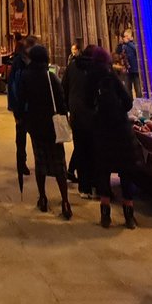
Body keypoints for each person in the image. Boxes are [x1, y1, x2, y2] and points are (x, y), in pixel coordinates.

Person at [18, 44, 72, 219]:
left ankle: (42, 197)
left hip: (36, 126)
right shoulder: (51, 78)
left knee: (40, 162)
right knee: (59, 164)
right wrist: (64, 119)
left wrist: (22, 119)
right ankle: (65, 201)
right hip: (53, 126)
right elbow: (62, 102)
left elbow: (21, 100)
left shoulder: (25, 77)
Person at [87, 47, 137, 229]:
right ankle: (129, 217)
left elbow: (87, 102)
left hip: (102, 130)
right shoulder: (112, 76)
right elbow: (128, 101)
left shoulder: (92, 77)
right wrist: (119, 114)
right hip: (120, 130)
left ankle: (105, 215)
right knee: (126, 172)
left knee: (103, 172)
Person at [63, 43, 96, 198]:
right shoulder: (96, 69)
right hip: (93, 113)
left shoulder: (72, 67)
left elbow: (64, 88)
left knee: (80, 147)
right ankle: (96, 186)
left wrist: (68, 108)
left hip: (76, 112)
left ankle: (84, 187)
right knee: (93, 149)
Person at [6, 34, 35, 177]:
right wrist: (15, 109)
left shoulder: (37, 62)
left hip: (35, 107)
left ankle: (40, 163)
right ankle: (21, 163)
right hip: (22, 108)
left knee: (36, 138)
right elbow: (12, 86)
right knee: (21, 137)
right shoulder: (19, 62)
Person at [116, 28, 140, 96]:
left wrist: (129, 42)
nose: (124, 38)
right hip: (127, 70)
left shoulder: (133, 44)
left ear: (130, 37)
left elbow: (137, 51)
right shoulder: (123, 46)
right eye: (124, 36)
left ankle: (140, 103)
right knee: (127, 89)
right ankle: (130, 104)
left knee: (138, 89)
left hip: (135, 70)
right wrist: (120, 45)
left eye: (125, 36)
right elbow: (118, 53)